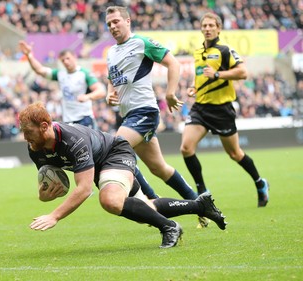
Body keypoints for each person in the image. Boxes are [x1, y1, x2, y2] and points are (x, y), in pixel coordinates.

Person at [19, 102, 227, 249]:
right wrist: (43, 196)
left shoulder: (73, 140)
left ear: (44, 127)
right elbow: (47, 179)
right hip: (99, 166)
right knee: (147, 208)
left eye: (28, 131)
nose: (25, 137)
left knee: (110, 200)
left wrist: (54, 215)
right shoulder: (34, 147)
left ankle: (169, 227)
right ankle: (201, 206)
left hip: (115, 153)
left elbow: (84, 189)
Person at [105, 7, 200, 209]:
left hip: (144, 112)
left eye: (116, 21)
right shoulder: (111, 52)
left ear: (128, 21)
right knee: (159, 168)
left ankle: (151, 202)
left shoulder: (142, 42)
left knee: (116, 150)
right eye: (109, 24)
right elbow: (111, 78)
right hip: (127, 116)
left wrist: (170, 93)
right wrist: (109, 92)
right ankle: (200, 203)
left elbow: (173, 63)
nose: (112, 26)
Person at [180, 12, 269, 207]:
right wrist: (195, 87)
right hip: (201, 108)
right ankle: (202, 191)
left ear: (219, 28)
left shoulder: (226, 49)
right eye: (205, 25)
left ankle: (260, 182)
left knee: (235, 153)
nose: (208, 28)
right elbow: (201, 76)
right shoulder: (197, 52)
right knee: (186, 148)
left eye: (212, 25)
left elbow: (243, 72)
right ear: (201, 28)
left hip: (222, 110)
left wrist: (218, 74)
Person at [18, 41, 106, 129]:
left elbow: (101, 91)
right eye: (63, 60)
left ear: (74, 57)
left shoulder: (84, 73)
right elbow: (40, 70)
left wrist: (88, 96)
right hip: (68, 121)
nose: (66, 62)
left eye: (68, 58)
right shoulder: (60, 74)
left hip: (84, 118)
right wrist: (29, 55)